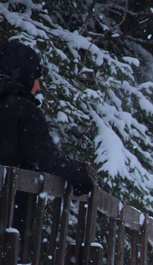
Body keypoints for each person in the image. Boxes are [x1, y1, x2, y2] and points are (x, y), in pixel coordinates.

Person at [0, 39, 95, 201]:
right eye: (35, 77)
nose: (38, 87)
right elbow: (45, 158)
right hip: (6, 213)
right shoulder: (22, 111)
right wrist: (79, 172)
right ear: (23, 72)